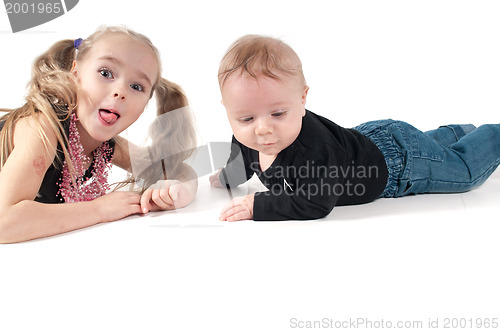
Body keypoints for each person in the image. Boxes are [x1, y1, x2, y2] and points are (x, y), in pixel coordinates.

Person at [210, 34, 500, 221]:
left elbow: (316, 202)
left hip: (399, 166)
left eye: (277, 113)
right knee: (428, 146)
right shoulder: (247, 139)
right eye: (246, 119)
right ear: (229, 111)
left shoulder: (316, 151)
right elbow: (242, 163)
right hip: (371, 140)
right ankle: (458, 132)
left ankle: (493, 135)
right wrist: (226, 177)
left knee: (464, 172)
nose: (262, 129)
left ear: (302, 100)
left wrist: (258, 206)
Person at [0, 26, 197, 243]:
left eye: (136, 86)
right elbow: (4, 222)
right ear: (75, 73)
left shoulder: (106, 147)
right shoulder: (41, 129)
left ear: (145, 105)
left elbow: (174, 168)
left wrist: (179, 191)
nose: (120, 92)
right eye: (105, 73)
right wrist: (97, 210)